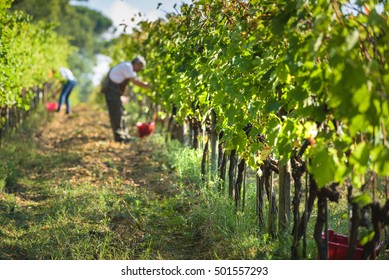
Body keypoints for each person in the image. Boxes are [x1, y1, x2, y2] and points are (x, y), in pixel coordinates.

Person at [101, 56, 151, 143]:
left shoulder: (127, 66)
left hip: (114, 91)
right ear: (136, 64)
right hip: (111, 91)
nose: (140, 69)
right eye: (140, 67)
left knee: (120, 112)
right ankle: (120, 137)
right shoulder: (128, 67)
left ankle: (124, 134)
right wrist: (147, 85)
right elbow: (135, 81)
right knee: (116, 113)